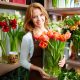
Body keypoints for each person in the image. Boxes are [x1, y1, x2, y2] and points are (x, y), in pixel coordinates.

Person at [20, 2, 66, 80]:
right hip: (37, 76)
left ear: (44, 14)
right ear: (30, 19)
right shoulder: (27, 37)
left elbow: (59, 51)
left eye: (41, 15)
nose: (39, 19)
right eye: (35, 17)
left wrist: (63, 59)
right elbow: (22, 61)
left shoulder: (52, 33)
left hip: (53, 76)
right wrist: (38, 69)